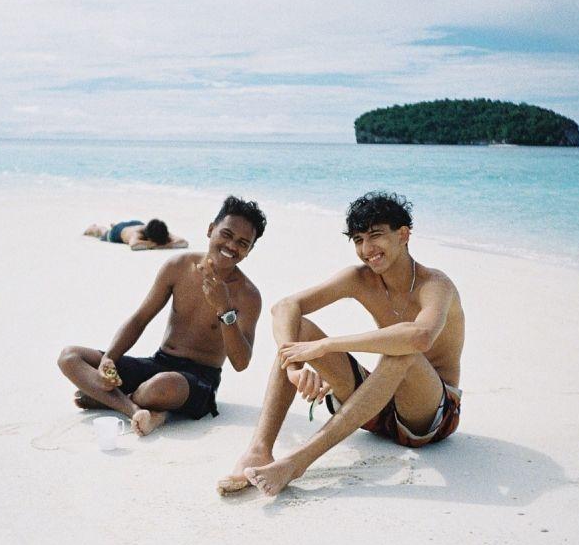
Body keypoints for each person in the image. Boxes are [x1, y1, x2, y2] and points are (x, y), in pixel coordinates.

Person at [217, 191, 464, 496]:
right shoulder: (360, 278)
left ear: (403, 235)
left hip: (430, 415)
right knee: (298, 330)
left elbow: (420, 337)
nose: (367, 249)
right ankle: (259, 450)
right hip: (376, 404)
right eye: (359, 239)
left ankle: (297, 462)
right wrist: (294, 367)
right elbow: (285, 307)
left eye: (376, 235)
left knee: (404, 352)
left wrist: (327, 346)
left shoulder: (435, 285)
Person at [59, 196, 267, 437]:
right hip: (159, 363)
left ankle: (108, 399)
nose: (231, 246)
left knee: (162, 385)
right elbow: (140, 319)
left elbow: (241, 363)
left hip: (198, 380)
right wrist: (109, 358)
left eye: (242, 243)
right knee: (70, 357)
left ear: (249, 250)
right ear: (211, 229)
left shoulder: (248, 295)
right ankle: (136, 409)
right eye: (227, 234)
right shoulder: (178, 266)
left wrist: (225, 309)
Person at [84, 218, 188, 250]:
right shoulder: (137, 234)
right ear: (148, 237)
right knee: (103, 232)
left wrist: (164, 244)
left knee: (126, 230)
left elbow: (184, 242)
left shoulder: (160, 231)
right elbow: (134, 245)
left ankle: (115, 224)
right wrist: (158, 245)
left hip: (137, 224)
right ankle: (94, 227)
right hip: (118, 232)